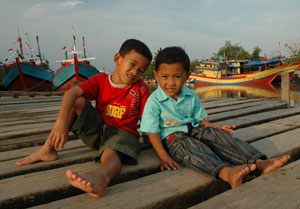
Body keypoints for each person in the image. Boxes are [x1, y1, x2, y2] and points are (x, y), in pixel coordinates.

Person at [17, 39, 153, 197]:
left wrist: (149, 141)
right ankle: (48, 149)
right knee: (78, 100)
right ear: (117, 59)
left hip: (122, 135)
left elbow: (147, 118)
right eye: (132, 64)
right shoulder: (100, 81)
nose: (134, 73)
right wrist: (61, 123)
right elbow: (71, 93)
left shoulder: (140, 88)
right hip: (99, 131)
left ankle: (101, 177)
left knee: (111, 153)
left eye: (140, 70)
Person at [140, 46, 290, 188]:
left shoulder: (190, 95)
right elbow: (152, 132)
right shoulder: (154, 101)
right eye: (165, 77)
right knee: (191, 148)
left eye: (177, 76)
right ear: (156, 75)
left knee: (217, 136)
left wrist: (215, 128)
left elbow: (200, 120)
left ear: (187, 76)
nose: (171, 83)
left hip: (193, 129)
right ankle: (226, 173)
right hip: (173, 138)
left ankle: (258, 162)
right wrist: (164, 157)